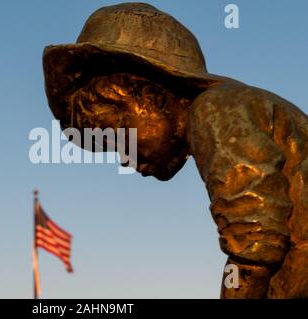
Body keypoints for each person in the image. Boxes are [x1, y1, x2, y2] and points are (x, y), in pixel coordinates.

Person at [42, 2, 308, 298]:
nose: (127, 160)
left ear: (150, 98)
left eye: (120, 139)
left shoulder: (214, 111)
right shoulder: (235, 107)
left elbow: (252, 253)